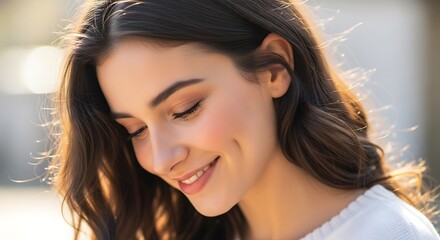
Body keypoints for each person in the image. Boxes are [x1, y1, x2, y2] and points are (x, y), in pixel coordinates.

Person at [49, 0, 440, 239]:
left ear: (274, 69)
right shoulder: (187, 231)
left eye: (186, 109)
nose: (161, 157)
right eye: (135, 130)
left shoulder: (387, 234)